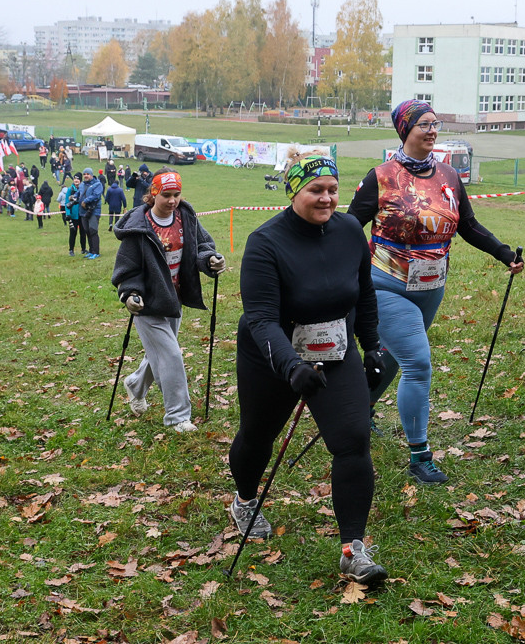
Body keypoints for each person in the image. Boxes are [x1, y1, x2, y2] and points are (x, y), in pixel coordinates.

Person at [228, 152, 389, 584]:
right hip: (272, 354)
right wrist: (290, 365)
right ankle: (244, 500)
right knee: (258, 437)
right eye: (315, 190)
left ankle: (353, 548)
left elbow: (365, 291)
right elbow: (260, 318)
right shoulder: (265, 242)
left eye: (333, 189)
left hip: (335, 349)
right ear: (293, 191)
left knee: (353, 440)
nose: (327, 198)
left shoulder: (351, 230)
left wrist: (371, 345)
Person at [348, 99, 523, 485]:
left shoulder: (447, 175)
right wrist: (353, 266)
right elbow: (348, 227)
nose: (432, 130)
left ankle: (361, 411)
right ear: (404, 130)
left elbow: (470, 226)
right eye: (423, 124)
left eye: (435, 123)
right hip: (386, 285)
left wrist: (503, 254)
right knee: (418, 362)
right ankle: (420, 455)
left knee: (394, 356)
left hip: (432, 286)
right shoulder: (382, 176)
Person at [111, 170, 225, 433]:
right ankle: (177, 416)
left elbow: (201, 246)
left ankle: (135, 385)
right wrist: (129, 294)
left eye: (176, 194)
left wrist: (210, 260)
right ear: (153, 193)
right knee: (171, 355)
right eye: (166, 195)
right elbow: (127, 269)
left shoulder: (186, 217)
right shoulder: (139, 227)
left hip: (174, 299)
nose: (173, 200)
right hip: (148, 303)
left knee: (161, 353)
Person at [78, 168, 103, 259]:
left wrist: (85, 201)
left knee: (93, 231)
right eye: (84, 174)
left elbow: (96, 195)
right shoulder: (82, 185)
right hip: (83, 211)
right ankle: (91, 250)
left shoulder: (97, 184)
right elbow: (79, 193)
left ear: (92, 175)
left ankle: (96, 252)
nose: (86, 176)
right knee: (87, 231)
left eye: (88, 174)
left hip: (93, 211)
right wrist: (73, 197)